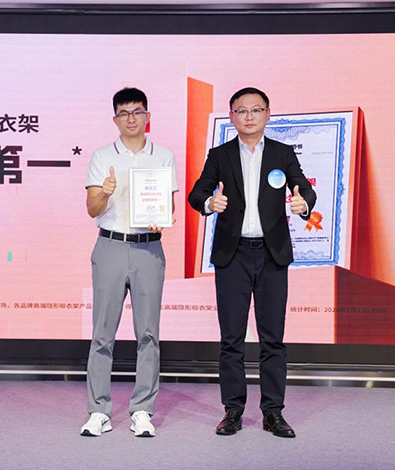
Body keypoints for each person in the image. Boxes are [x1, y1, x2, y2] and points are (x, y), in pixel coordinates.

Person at [188, 87, 316, 438]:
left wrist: (304, 203)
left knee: (273, 338)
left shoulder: (282, 153)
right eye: (241, 110)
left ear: (267, 114)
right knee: (231, 338)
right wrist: (208, 204)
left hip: (272, 255)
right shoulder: (220, 155)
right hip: (233, 255)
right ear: (231, 116)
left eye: (256, 110)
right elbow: (198, 192)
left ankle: (273, 412)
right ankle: (233, 411)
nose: (249, 116)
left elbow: (303, 187)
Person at [80, 87, 179, 438]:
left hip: (148, 250)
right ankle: (99, 411)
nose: (131, 119)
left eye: (137, 112)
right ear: (115, 119)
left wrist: (160, 219)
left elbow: (168, 208)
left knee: (148, 333)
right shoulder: (102, 155)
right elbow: (92, 209)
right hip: (110, 246)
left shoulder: (163, 155)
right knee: (102, 334)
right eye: (124, 113)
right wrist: (105, 192)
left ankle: (142, 410)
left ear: (148, 117)